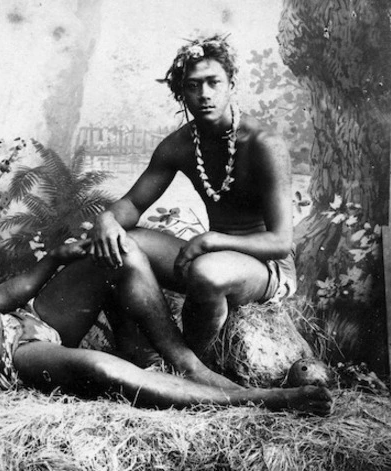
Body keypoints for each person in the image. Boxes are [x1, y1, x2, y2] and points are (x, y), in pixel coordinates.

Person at [0, 187, 330, 414]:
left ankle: (183, 362)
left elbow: (0, 296)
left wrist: (58, 257)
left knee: (114, 250)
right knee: (99, 368)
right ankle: (266, 403)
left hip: (25, 324)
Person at [89, 34, 297, 359]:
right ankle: (144, 357)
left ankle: (194, 368)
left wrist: (212, 240)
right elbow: (132, 204)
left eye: (213, 82)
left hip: (265, 268)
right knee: (121, 244)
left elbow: (281, 242)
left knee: (207, 271)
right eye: (193, 86)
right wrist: (106, 219)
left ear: (231, 84)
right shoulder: (180, 145)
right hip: (208, 257)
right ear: (181, 92)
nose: (204, 95)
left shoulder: (264, 145)